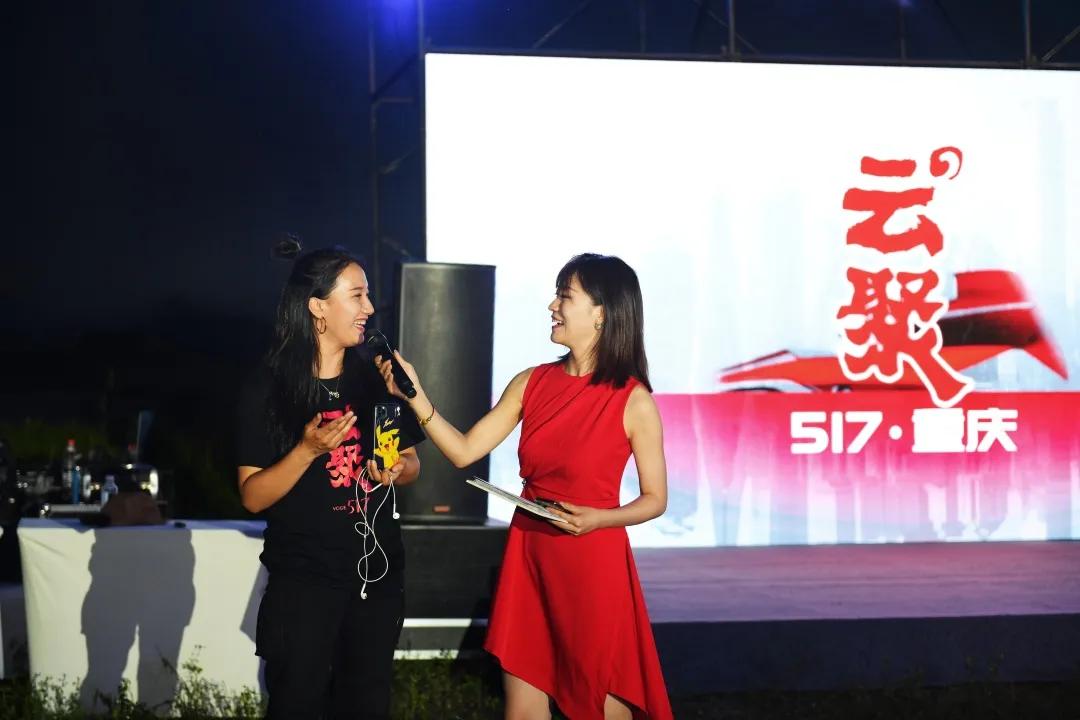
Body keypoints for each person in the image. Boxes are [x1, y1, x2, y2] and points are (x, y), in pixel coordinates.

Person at [376, 253, 672, 720]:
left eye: (564, 296)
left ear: (601, 313)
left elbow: (656, 499)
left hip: (592, 562)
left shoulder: (633, 400)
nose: (552, 306)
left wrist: (600, 518)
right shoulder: (532, 382)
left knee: (599, 701)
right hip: (529, 554)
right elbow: (464, 451)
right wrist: (416, 396)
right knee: (523, 707)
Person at [235, 244, 424, 719]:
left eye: (368, 295)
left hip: (377, 579)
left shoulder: (374, 381)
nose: (369, 308)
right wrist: (306, 451)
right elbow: (253, 496)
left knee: (366, 705)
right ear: (317, 307)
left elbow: (411, 463)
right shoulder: (270, 387)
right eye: (357, 295)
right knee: (297, 703)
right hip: (305, 583)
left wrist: (395, 469)